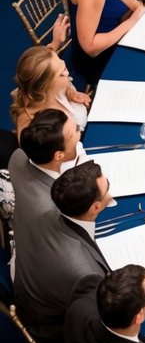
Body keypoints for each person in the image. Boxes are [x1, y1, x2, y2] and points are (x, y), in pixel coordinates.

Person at [13, 156, 111, 343]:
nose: (110, 190)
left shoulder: (43, 211)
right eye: (108, 187)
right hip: (56, 333)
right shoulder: (88, 274)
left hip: (30, 290)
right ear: (96, 207)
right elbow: (100, 323)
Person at [8, 109, 81, 284]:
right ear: (58, 155)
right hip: (41, 271)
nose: (80, 133)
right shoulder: (55, 207)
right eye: (76, 131)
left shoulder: (18, 156)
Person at [10, 46, 91, 136]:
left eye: (64, 66)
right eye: (61, 74)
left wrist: (72, 95)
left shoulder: (60, 85)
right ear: (46, 85)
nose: (67, 73)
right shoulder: (38, 130)